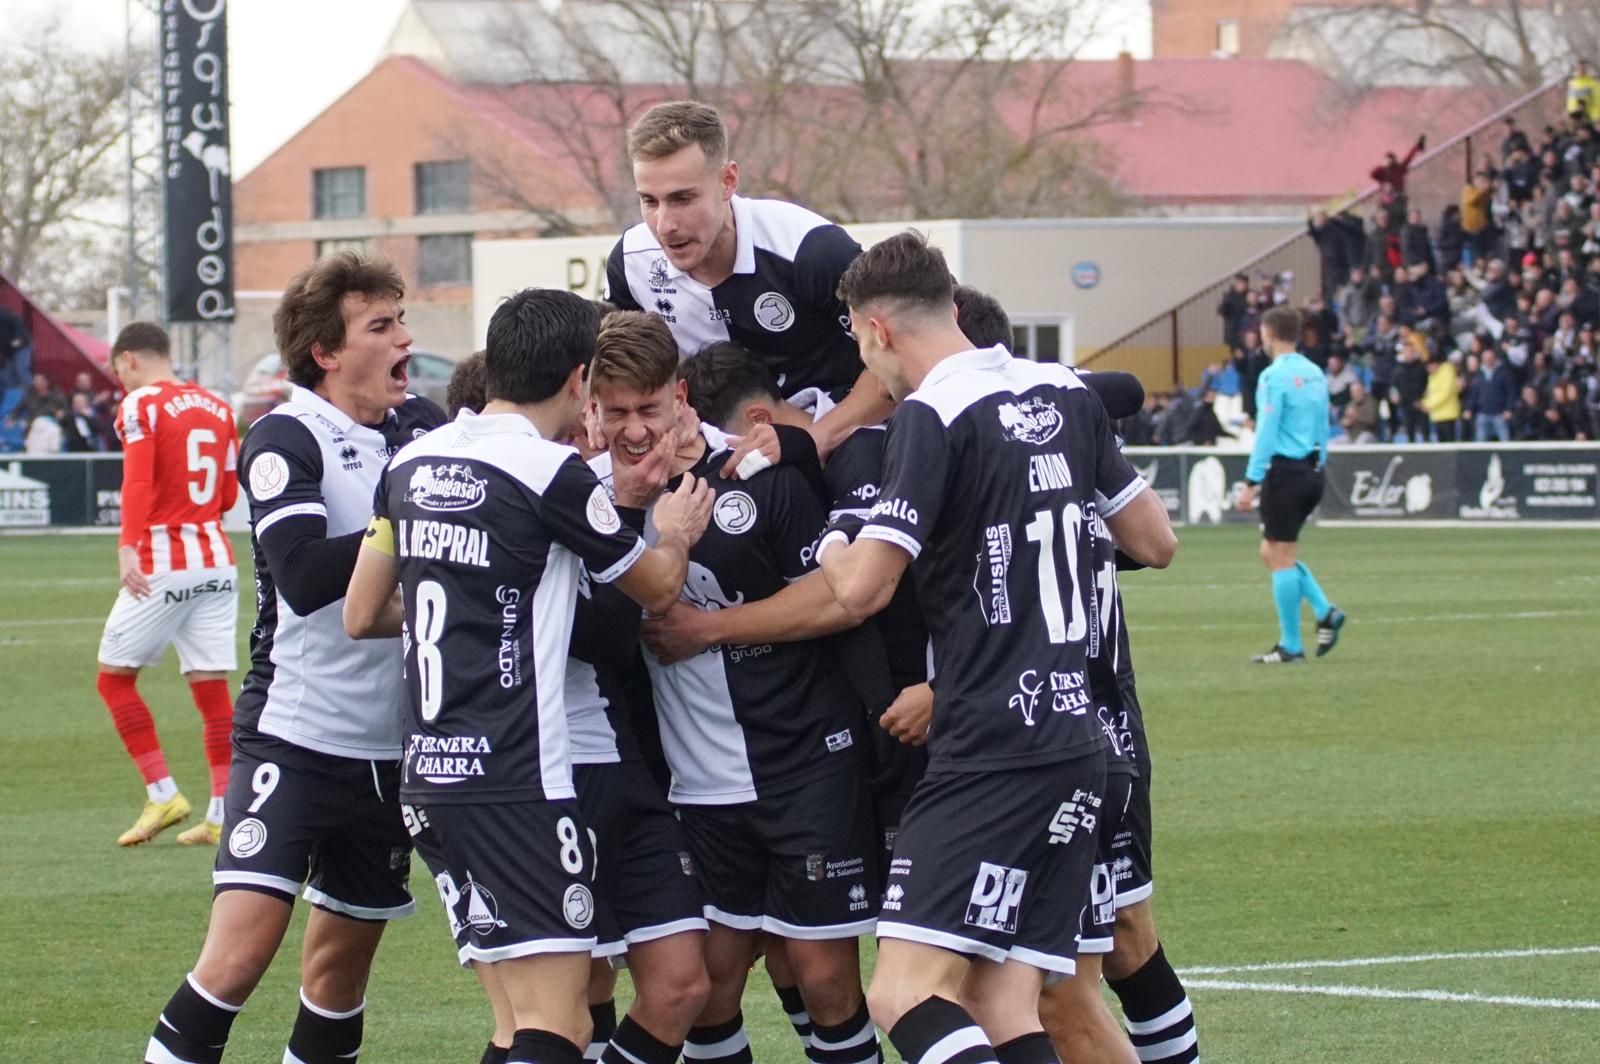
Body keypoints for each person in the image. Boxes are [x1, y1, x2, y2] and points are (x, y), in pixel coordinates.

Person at [816, 231, 1177, 1064]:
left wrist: (835, 548)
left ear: (877, 331)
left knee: (902, 991)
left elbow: (863, 589)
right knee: (1003, 997)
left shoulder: (932, 414)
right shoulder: (1063, 391)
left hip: (989, 746)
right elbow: (1154, 541)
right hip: (1078, 740)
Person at [343, 288, 715, 1064]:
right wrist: (672, 535)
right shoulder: (551, 474)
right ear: (581, 380)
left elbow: (364, 612)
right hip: (517, 775)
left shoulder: (412, 459)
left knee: (522, 1023)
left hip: (432, 773)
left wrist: (484, 602)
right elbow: (655, 589)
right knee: (560, 1025)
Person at [143, 253, 447, 1064]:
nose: (404, 338)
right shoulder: (285, 435)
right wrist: (420, 523)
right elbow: (309, 576)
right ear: (327, 352)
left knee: (339, 973)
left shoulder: (423, 428)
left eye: (400, 317)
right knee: (238, 958)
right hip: (296, 738)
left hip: (394, 752)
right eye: (380, 326)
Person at [588, 312, 884, 1064]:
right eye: (614, 411)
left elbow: (833, 598)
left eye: (647, 409)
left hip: (806, 766)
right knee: (710, 987)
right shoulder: (595, 499)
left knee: (824, 979)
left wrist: (710, 628)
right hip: (696, 786)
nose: (632, 429)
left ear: (680, 396)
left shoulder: (758, 474)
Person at [604, 100, 892, 464]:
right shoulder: (631, 264)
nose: (665, 224)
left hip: (841, 445)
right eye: (649, 201)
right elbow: (621, 379)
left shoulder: (810, 250)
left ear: (728, 181)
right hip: (715, 461)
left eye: (683, 199)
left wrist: (810, 442)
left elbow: (900, 358)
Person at [94, 322, 239, 847]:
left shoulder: (141, 406)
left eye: (118, 374)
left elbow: (135, 479)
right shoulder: (219, 407)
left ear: (128, 360)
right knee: (210, 687)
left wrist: (128, 546)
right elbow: (225, 494)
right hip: (217, 560)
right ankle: (222, 812)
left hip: (164, 558)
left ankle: (163, 794)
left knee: (114, 679)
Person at [1236, 306, 1343, 665]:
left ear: (1268, 332)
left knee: (1280, 557)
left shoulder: (1273, 376)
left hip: (1285, 471)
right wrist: (1320, 465)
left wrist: (1252, 480)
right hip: (1312, 470)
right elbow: (1323, 425)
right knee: (1272, 552)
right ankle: (1325, 611)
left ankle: (1291, 645)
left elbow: (1267, 431)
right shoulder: (1315, 373)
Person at [1420, 350, 1462, 443]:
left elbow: (1445, 393)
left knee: (1450, 443)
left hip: (1448, 415)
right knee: (1441, 443)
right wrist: (1424, 403)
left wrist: (1429, 405)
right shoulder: (1433, 376)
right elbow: (1430, 393)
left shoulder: (1447, 372)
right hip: (1437, 415)